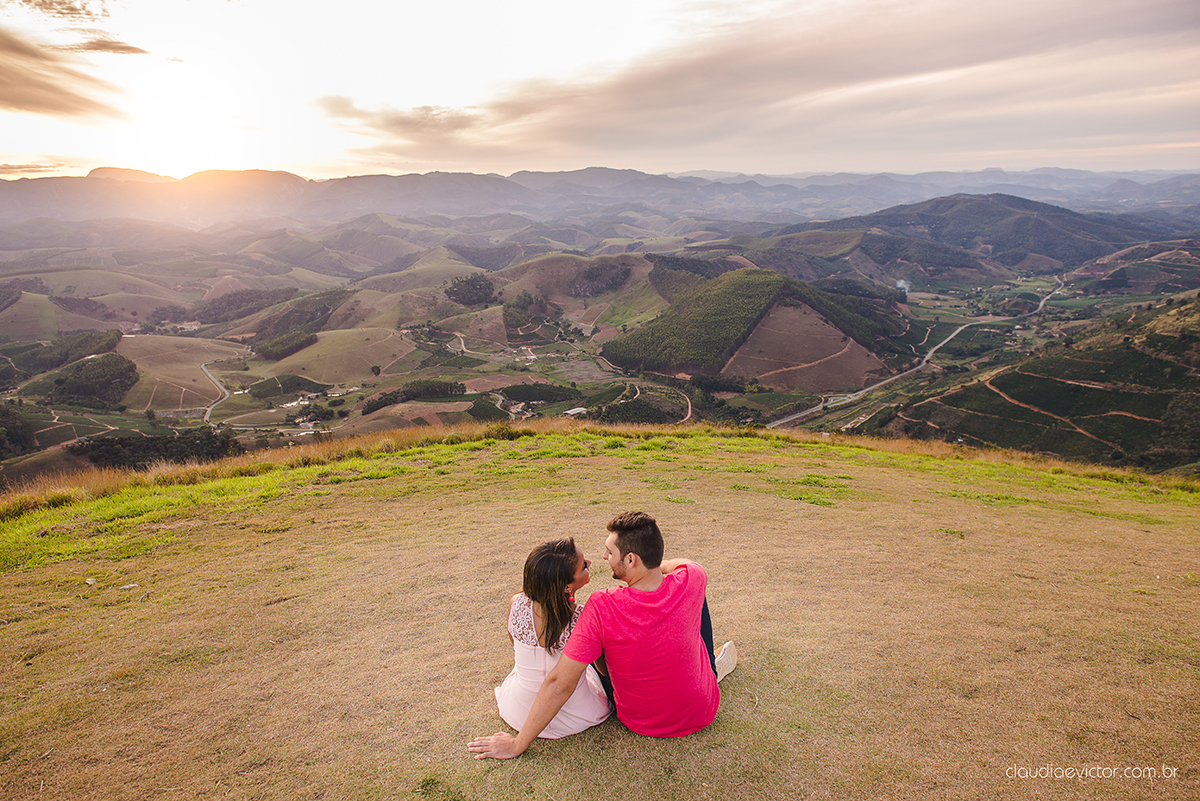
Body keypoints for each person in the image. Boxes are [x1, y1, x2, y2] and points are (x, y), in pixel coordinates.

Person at [468, 511, 736, 759]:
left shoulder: (599, 606)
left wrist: (518, 744)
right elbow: (687, 565)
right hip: (702, 711)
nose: (603, 557)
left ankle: (704, 667)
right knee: (695, 594)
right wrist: (654, 567)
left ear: (630, 560)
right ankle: (709, 669)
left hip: (638, 720)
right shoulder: (692, 577)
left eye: (610, 552)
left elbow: (559, 679)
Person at [492, 537, 610, 738]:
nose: (589, 563)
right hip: (577, 713)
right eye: (583, 565)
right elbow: (603, 669)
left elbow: (516, 645)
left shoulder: (516, 602)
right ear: (566, 587)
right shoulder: (584, 618)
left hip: (520, 711)